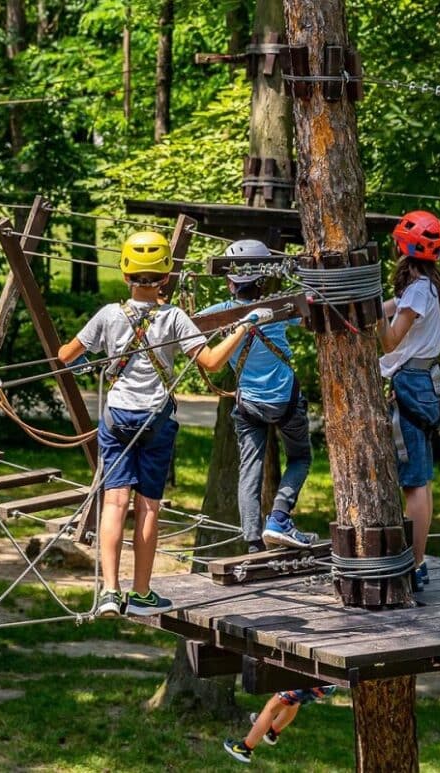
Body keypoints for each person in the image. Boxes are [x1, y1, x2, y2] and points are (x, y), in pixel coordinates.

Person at [57, 232, 274, 617]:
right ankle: (141, 593)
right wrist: (246, 324)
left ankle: (109, 591)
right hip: (155, 420)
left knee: (115, 502)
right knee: (148, 508)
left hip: (118, 417)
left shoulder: (108, 315)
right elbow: (211, 362)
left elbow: (65, 355)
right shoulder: (174, 318)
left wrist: (86, 362)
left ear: (126, 274)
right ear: (166, 275)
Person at [198, 239, 314, 553]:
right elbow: (308, 310)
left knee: (249, 469)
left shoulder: (222, 313)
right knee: (300, 457)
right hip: (285, 400)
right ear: (261, 280)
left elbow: (191, 324)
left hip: (249, 404)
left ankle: (252, 541)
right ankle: (279, 517)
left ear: (230, 282)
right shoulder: (279, 306)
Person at [377, 210, 440, 591]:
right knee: (422, 479)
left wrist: (373, 315)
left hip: (412, 384)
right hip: (424, 381)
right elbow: (392, 307)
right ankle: (418, 560)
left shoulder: (420, 289)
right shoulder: (428, 285)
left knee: (414, 483)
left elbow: (390, 341)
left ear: (403, 248)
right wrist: (370, 304)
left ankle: (416, 564)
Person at [224, 685, 336, 764]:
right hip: (326, 685)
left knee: (271, 708)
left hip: (308, 679)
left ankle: (244, 749)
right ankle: (272, 731)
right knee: (293, 701)